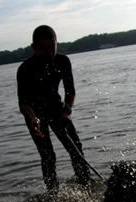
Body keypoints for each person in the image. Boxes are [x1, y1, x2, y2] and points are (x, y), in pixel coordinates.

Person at [17, 25, 90, 192]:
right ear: (34, 47)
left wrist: (67, 111)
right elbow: (23, 103)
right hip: (35, 116)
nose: (50, 52)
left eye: (53, 47)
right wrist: (33, 119)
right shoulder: (25, 69)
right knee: (49, 156)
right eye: (44, 48)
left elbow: (70, 92)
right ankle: (52, 194)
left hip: (58, 110)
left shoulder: (63, 61)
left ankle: (86, 187)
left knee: (76, 149)